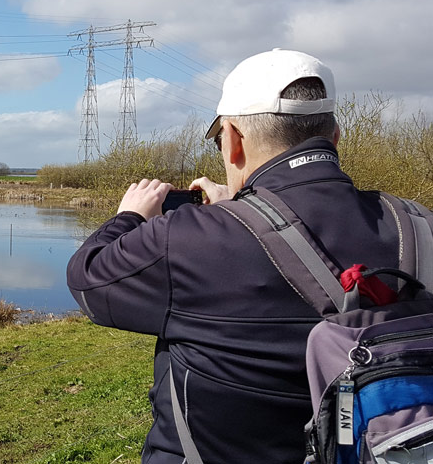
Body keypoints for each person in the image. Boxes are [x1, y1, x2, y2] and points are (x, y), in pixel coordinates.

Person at [66, 49, 429, 463]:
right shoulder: (419, 226)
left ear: (234, 139)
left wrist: (130, 215)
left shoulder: (188, 240)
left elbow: (88, 277)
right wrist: (246, 207)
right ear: (336, 137)